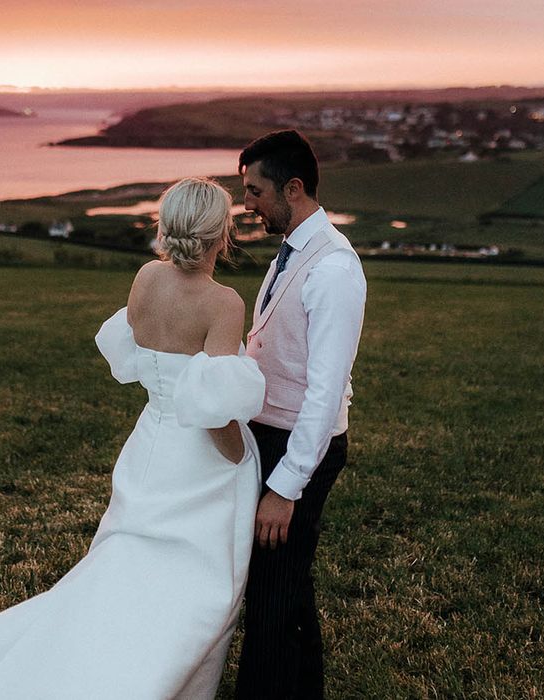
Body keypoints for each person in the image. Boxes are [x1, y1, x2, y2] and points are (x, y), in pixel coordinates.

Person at [0, 177, 266, 700]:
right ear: (220, 232)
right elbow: (213, 409)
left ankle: (88, 654)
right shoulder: (223, 302)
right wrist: (239, 462)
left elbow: (144, 359)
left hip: (151, 444)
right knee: (199, 587)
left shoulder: (146, 278)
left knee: (124, 567)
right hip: (200, 462)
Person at [235, 130, 367, 699]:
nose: (247, 204)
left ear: (293, 187)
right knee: (282, 588)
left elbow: (325, 390)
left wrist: (285, 488)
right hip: (270, 436)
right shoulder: (293, 251)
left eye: (254, 190)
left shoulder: (334, 268)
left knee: (272, 594)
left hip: (299, 447)